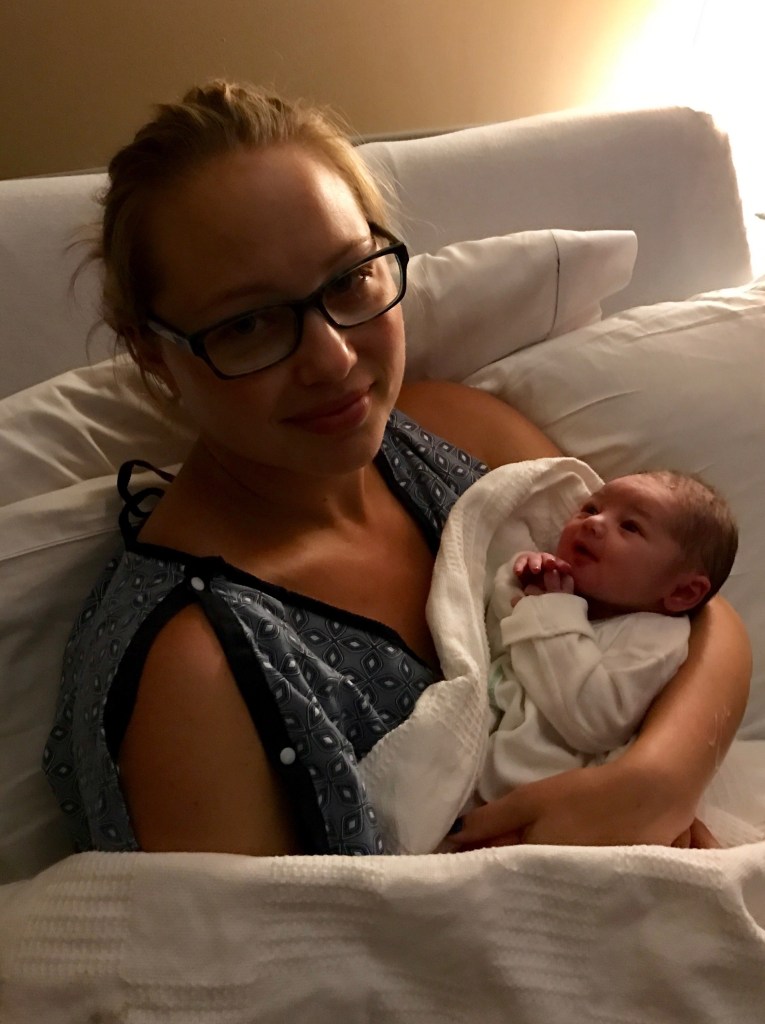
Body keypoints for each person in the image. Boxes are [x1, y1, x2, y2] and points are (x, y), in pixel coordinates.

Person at [42, 80, 750, 857]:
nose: (332, 359)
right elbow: (278, 939)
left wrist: (653, 781)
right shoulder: (195, 669)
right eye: (247, 324)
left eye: (350, 280)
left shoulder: (452, 433)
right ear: (153, 355)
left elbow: (691, 602)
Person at [478, 470, 739, 802]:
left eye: (630, 526)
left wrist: (550, 608)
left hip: (526, 793)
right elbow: (491, 643)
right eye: (590, 508)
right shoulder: (558, 583)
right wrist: (517, 584)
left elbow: (594, 723)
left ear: (683, 592)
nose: (594, 522)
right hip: (476, 739)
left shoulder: (657, 638)